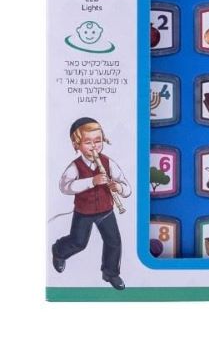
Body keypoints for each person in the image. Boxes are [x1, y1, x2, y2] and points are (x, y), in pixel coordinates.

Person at [51, 117, 131, 290]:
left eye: (98, 141)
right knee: (78, 242)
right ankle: (58, 251)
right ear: (76, 145)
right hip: (84, 212)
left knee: (114, 242)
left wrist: (118, 187)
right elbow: (65, 187)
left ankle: (110, 273)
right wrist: (91, 181)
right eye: (88, 142)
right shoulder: (75, 166)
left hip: (106, 210)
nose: (94, 146)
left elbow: (127, 188)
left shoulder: (108, 163)